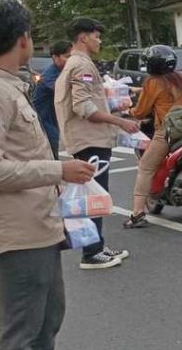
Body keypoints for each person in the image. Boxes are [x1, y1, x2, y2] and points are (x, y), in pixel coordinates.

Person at [0, 0, 95, 350]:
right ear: (23, 39)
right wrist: (58, 171)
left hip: (41, 227)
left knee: (46, 323)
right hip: (19, 236)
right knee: (20, 333)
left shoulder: (14, 86)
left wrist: (58, 169)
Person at [55, 17, 137, 270]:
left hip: (86, 139)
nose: (99, 41)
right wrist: (120, 122)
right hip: (90, 140)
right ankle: (91, 253)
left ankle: (97, 246)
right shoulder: (82, 66)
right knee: (94, 196)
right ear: (83, 37)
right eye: (96, 36)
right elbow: (83, 107)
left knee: (94, 194)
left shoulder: (75, 64)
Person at [124, 45, 182, 229]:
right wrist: (139, 90)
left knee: (145, 168)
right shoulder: (180, 79)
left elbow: (140, 112)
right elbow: (164, 94)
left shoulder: (153, 82)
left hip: (168, 132)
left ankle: (137, 214)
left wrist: (127, 110)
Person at [31, 40, 73, 157]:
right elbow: (63, 90)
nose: (70, 60)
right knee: (51, 145)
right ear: (55, 57)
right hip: (43, 119)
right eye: (67, 56)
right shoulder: (49, 74)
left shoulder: (63, 71)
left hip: (53, 117)